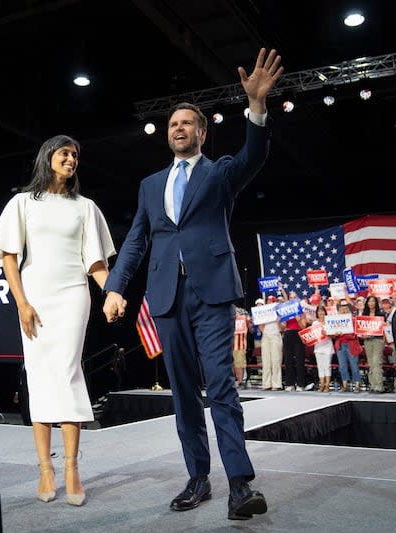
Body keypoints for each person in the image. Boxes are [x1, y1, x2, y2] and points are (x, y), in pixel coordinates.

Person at [102, 48, 283, 521]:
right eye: (172, 125)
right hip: (166, 299)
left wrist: (257, 110)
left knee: (220, 385)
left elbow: (254, 155)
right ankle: (198, 478)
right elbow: (137, 240)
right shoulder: (149, 185)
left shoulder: (219, 173)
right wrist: (117, 287)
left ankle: (240, 486)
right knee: (183, 393)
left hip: (213, 294)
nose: (178, 128)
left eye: (187, 123)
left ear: (202, 132)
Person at [0, 134, 116, 506]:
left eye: (75, 154)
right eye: (65, 153)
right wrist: (22, 303)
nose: (71, 159)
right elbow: (9, 256)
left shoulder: (85, 207)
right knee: (41, 375)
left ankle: (72, 469)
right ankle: (46, 468)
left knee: (68, 372)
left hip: (73, 295)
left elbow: (95, 262)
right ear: (49, 157)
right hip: (36, 298)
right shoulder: (22, 203)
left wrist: (112, 292)